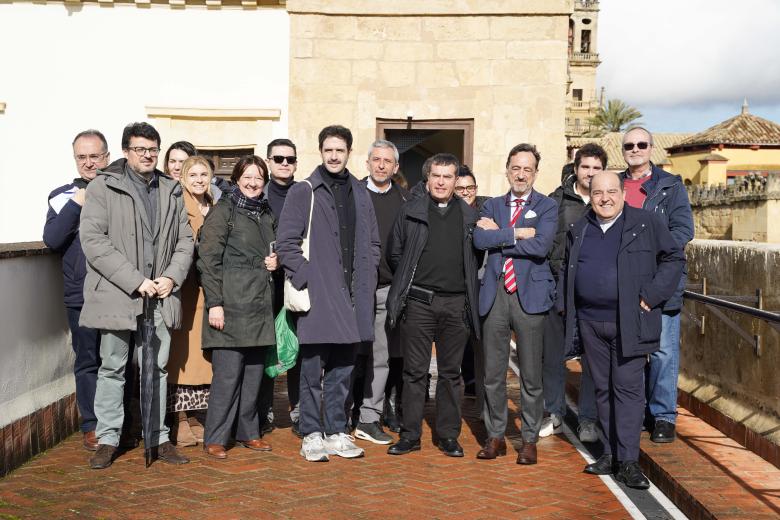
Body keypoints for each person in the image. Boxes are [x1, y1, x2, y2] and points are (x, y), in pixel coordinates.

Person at [80, 122, 194, 469]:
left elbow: (185, 240)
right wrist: (135, 280)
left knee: (156, 368)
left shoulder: (171, 189)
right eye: (140, 149)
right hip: (118, 293)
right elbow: (94, 242)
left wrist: (171, 278)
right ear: (127, 151)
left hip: (159, 295)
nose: (147, 155)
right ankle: (108, 439)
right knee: (112, 367)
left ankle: (158, 437)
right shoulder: (104, 186)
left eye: (152, 149)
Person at [560, 171, 685, 488]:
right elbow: (567, 268)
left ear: (623, 193)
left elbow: (673, 257)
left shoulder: (645, 222)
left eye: (611, 191)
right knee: (602, 389)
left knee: (627, 391)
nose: (605, 198)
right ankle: (610, 453)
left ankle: (629, 461)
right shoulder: (580, 227)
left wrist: (652, 295)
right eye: (598, 192)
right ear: (590, 194)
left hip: (630, 321)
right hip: (590, 322)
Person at [277, 125, 380, 462]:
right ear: (320, 152)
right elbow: (286, 244)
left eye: (340, 150)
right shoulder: (304, 190)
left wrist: (369, 272)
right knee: (311, 372)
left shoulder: (360, 193)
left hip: (353, 296)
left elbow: (373, 242)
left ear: (349, 152)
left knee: (343, 370)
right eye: (328, 150)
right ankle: (311, 432)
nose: (334, 156)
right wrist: (309, 277)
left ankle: (336, 431)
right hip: (318, 297)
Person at [385, 153, 481, 458]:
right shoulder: (410, 211)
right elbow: (395, 253)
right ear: (428, 179)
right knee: (414, 372)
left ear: (456, 181)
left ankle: (448, 436)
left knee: (452, 374)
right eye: (436, 176)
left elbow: (476, 258)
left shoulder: (469, 216)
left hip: (456, 305)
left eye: (448, 176)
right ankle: (410, 434)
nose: (441, 182)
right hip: (419, 303)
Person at [473, 143, 557, 464]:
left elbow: (541, 246)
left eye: (527, 169)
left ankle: (529, 439)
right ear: (506, 169)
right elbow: (480, 239)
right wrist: (518, 232)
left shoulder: (547, 206)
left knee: (531, 375)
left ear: (535, 173)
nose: (521, 175)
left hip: (530, 297)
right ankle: (496, 436)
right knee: (493, 374)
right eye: (515, 168)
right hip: (494, 295)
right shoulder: (491, 205)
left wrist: (501, 237)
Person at [197, 155, 279, 460]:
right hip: (230, 305)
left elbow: (272, 248)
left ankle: (249, 432)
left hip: (259, 304)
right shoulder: (224, 211)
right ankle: (216, 437)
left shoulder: (266, 213)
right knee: (228, 377)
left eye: (259, 177)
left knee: (254, 376)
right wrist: (215, 305)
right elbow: (207, 260)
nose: (254, 182)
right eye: (248, 176)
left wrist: (276, 260)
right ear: (237, 178)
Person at [620, 127, 694, 443]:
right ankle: (637, 411)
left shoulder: (670, 186)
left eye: (641, 144)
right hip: (624, 282)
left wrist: (652, 251)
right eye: (629, 145)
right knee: (631, 351)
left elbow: (683, 231)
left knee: (663, 351)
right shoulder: (615, 186)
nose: (635, 149)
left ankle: (663, 416)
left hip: (661, 279)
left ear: (651, 148)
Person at [43, 130, 110, 451]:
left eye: (94, 156)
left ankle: (117, 421)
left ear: (106, 157)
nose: (88, 163)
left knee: (117, 361)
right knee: (87, 361)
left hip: (117, 293)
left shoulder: (119, 190)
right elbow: (53, 240)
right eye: (82, 157)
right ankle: (92, 424)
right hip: (80, 295)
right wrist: (77, 203)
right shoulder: (62, 196)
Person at [542, 143, 607, 443]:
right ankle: (553, 412)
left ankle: (588, 420)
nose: (590, 173)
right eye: (586, 167)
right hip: (558, 291)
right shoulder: (554, 202)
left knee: (592, 359)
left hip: (595, 294)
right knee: (553, 356)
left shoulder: (608, 203)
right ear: (575, 168)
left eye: (596, 168)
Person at [352, 139, 409, 445]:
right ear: (368, 163)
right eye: (376, 159)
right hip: (353, 289)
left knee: (380, 358)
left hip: (388, 289)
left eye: (388, 161)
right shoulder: (352, 195)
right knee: (348, 355)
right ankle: (341, 413)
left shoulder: (404, 200)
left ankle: (369, 417)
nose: (382, 165)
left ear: (395, 167)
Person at [166, 156, 215, 447]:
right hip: (185, 290)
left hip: (209, 293)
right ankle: (180, 419)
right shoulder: (177, 205)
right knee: (181, 359)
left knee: (203, 357)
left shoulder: (214, 205)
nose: (199, 179)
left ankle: (196, 417)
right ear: (183, 177)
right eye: (193, 174)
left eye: (203, 174)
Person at [257, 138, 300, 437]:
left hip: (298, 280)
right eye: (279, 158)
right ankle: (263, 411)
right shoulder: (258, 193)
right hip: (265, 282)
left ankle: (298, 412)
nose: (285, 163)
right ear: (269, 161)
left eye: (290, 159)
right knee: (264, 345)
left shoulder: (306, 193)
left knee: (299, 346)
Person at [454, 164, 488, 402]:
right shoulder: (445, 211)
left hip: (480, 283)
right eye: (461, 188)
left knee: (477, 338)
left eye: (470, 187)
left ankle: (475, 381)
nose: (466, 192)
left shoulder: (487, 211)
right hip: (453, 284)